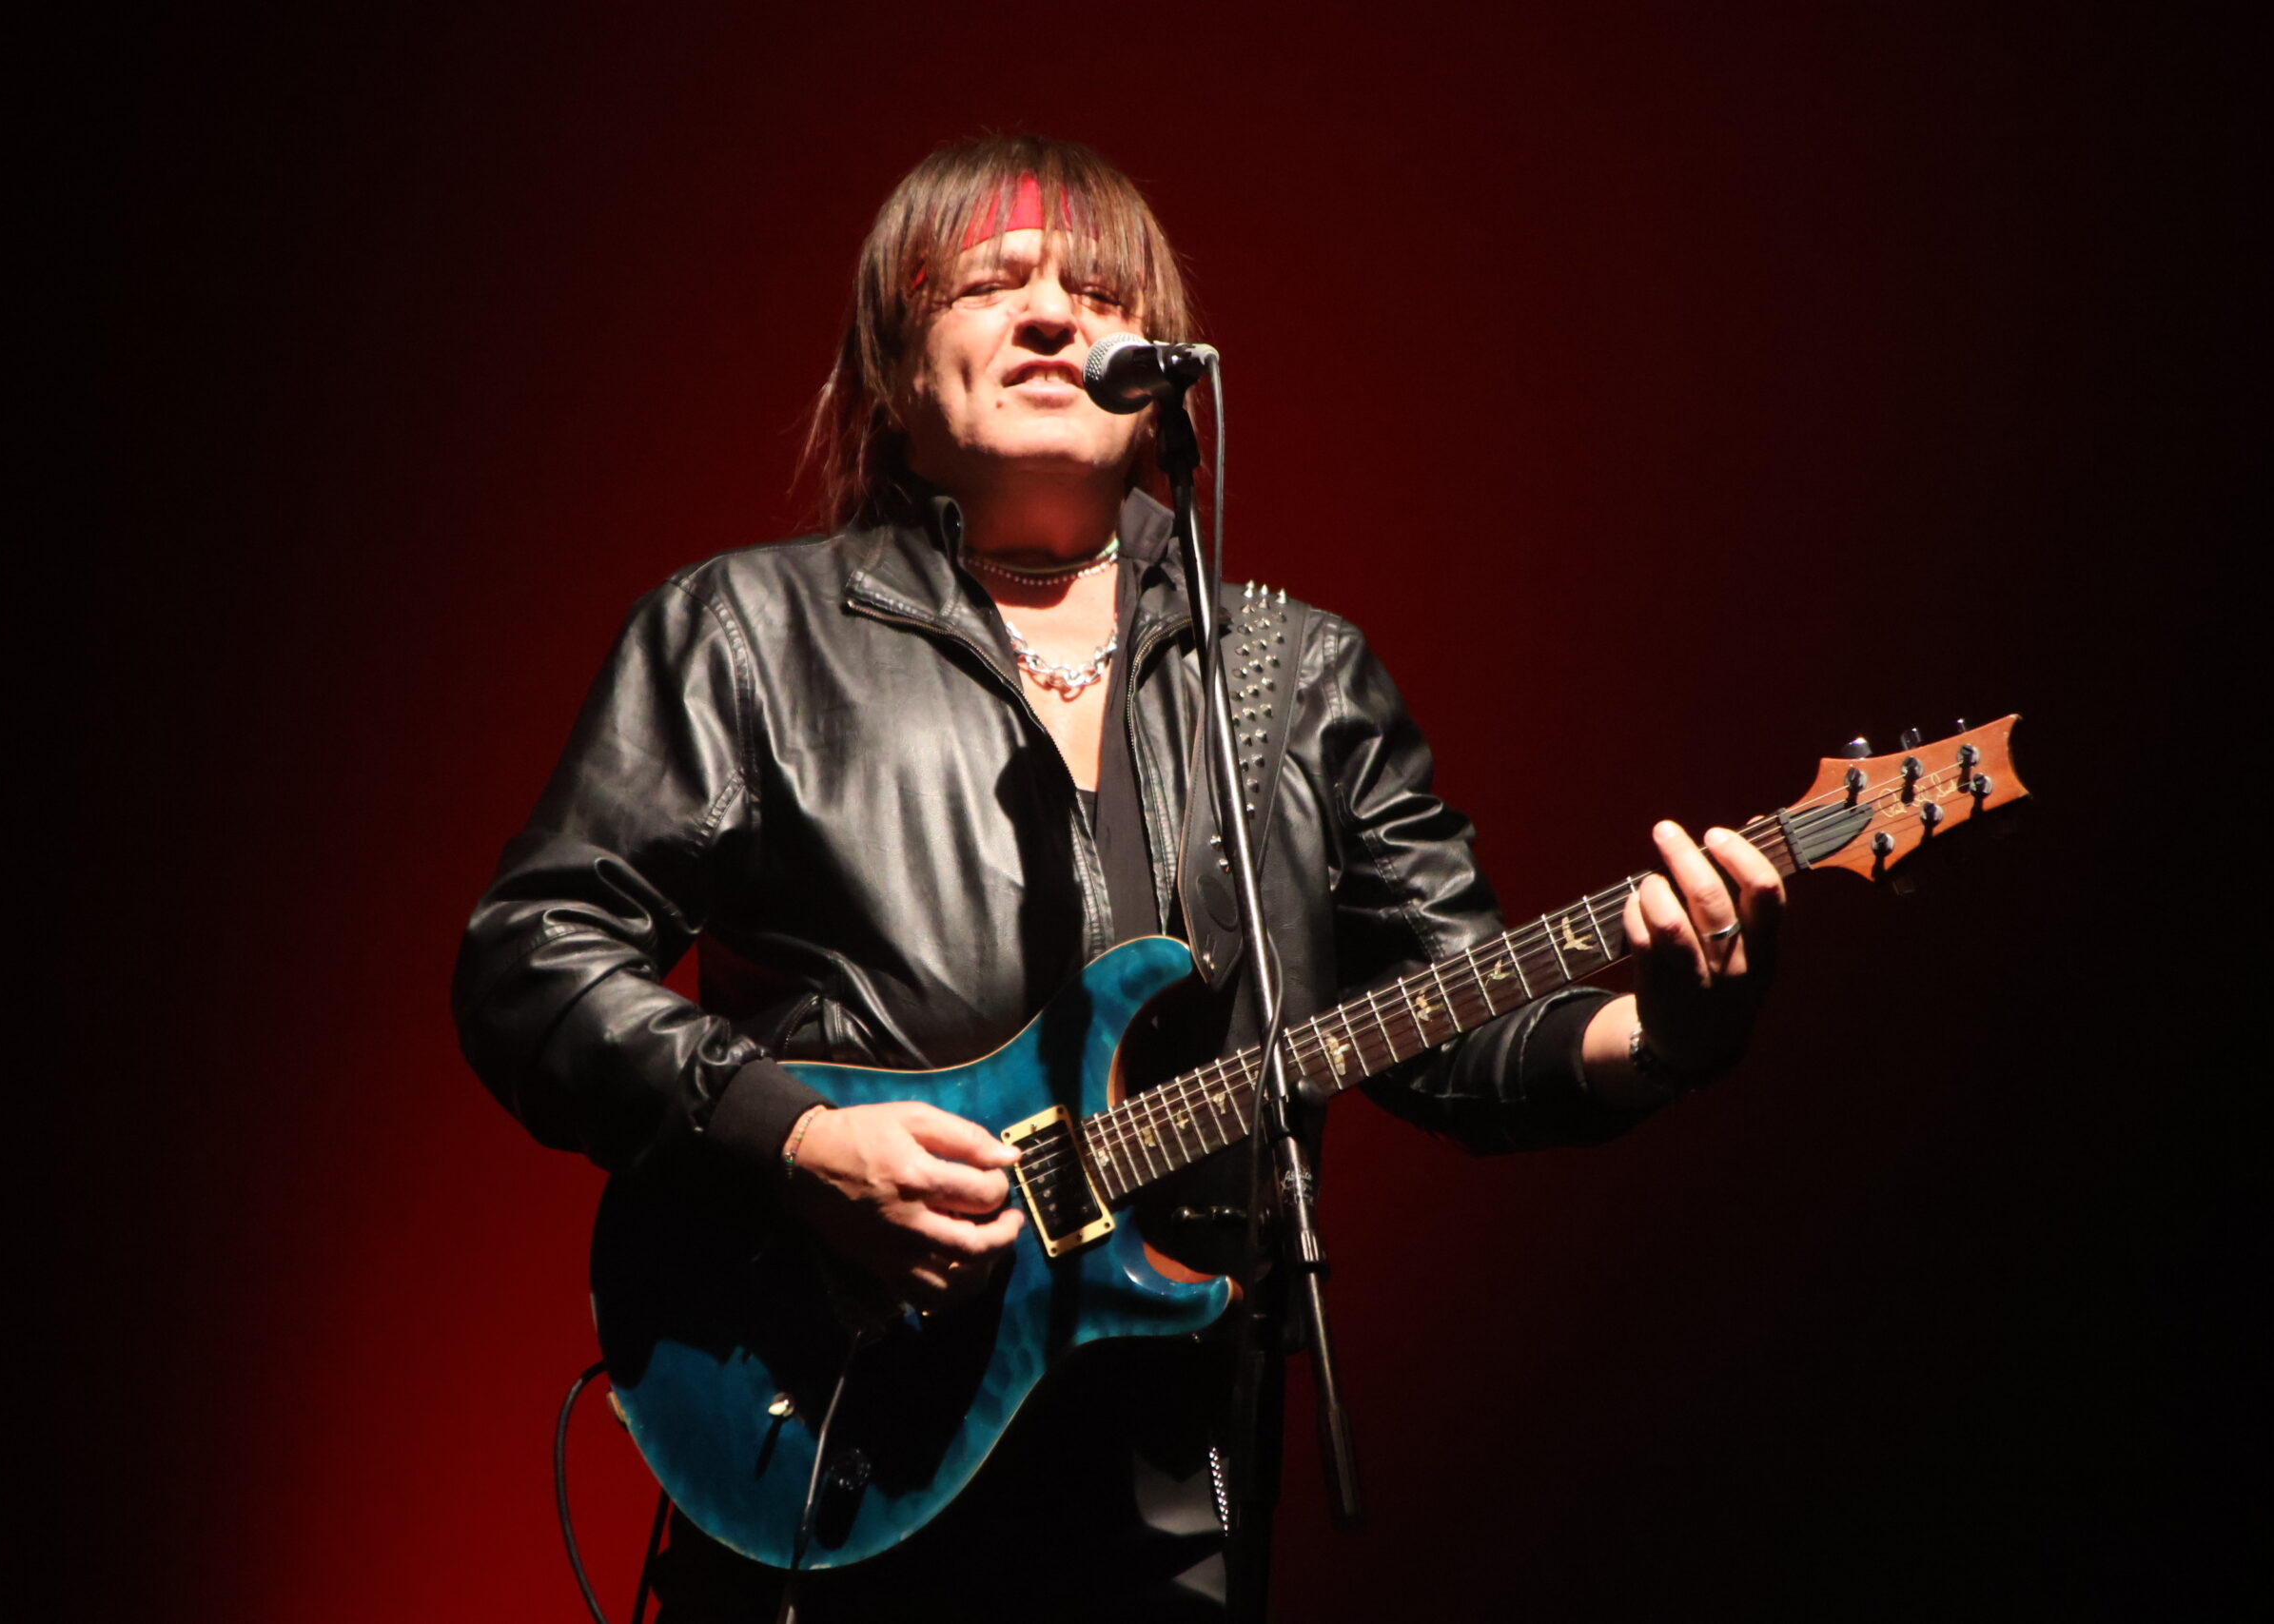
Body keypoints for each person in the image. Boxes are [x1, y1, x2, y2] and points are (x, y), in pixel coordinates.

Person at [453, 134, 1782, 1622]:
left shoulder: (1294, 677)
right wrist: (798, 1143)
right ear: (894, 367)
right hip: (829, 1430)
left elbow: (1453, 1024)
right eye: (990, 284)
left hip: (1168, 1485)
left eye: (1097, 293)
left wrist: (1665, 1033)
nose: (1051, 315)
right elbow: (531, 958)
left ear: (1160, 371)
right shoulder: (747, 635)